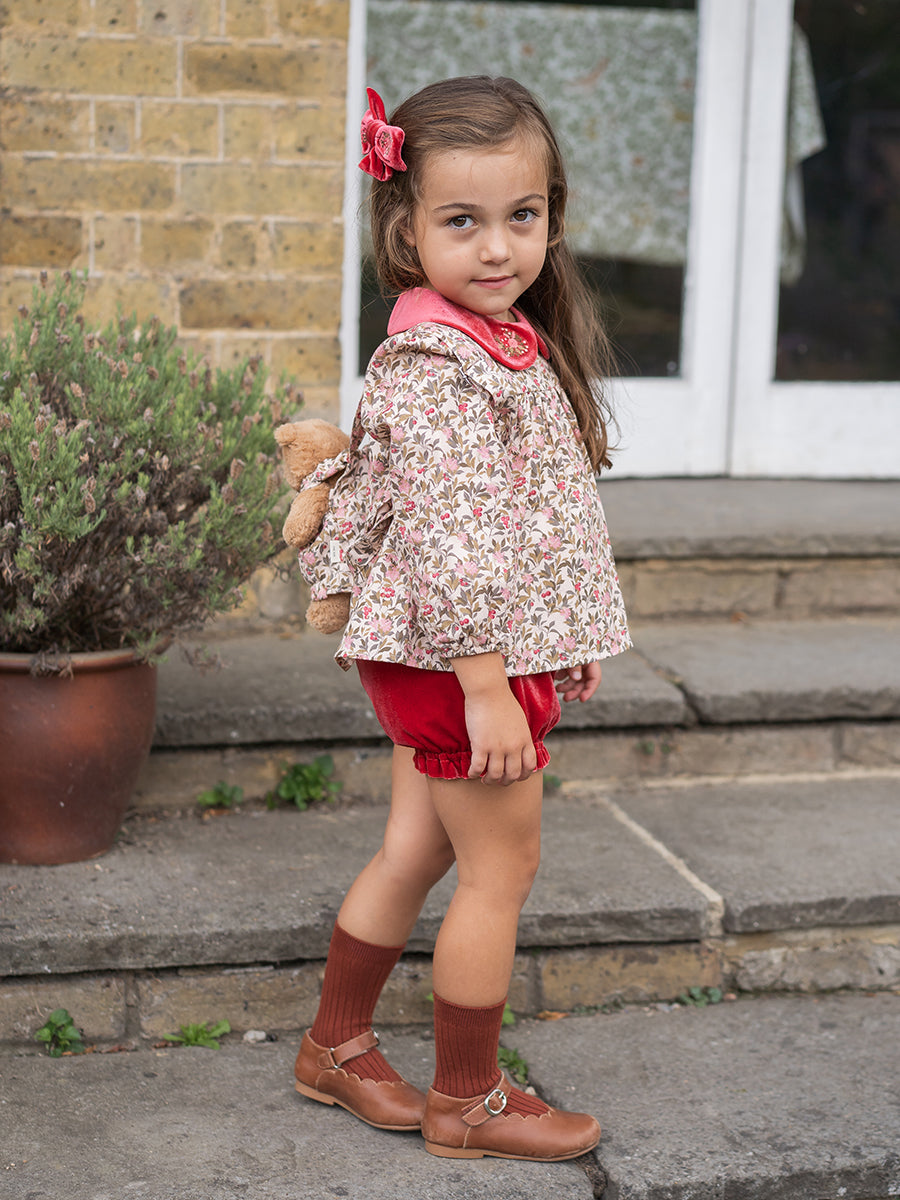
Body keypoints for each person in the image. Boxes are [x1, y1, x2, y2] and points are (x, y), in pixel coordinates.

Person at [292, 76, 631, 1162]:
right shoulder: (442, 368)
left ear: (552, 215)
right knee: (500, 872)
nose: (497, 247)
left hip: (450, 646)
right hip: (457, 656)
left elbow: (525, 520)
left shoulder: (492, 340)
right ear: (407, 230)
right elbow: (451, 540)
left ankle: (334, 1048)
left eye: (521, 215)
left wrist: (560, 638)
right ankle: (468, 1102)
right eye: (461, 221)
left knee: (415, 848)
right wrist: (491, 685)